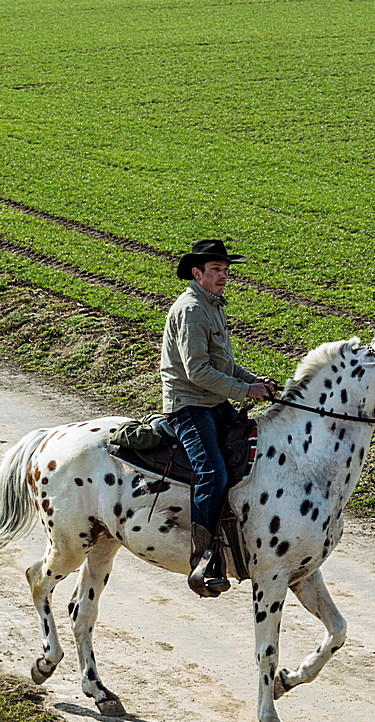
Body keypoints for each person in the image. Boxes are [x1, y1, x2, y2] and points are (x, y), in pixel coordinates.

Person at [161, 239, 277, 597]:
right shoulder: (192, 310)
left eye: (226, 270)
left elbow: (222, 364)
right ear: (197, 273)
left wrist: (251, 380)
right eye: (216, 270)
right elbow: (197, 371)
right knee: (213, 472)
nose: (223, 276)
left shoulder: (212, 305)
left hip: (212, 401)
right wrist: (245, 392)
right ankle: (203, 561)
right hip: (190, 405)